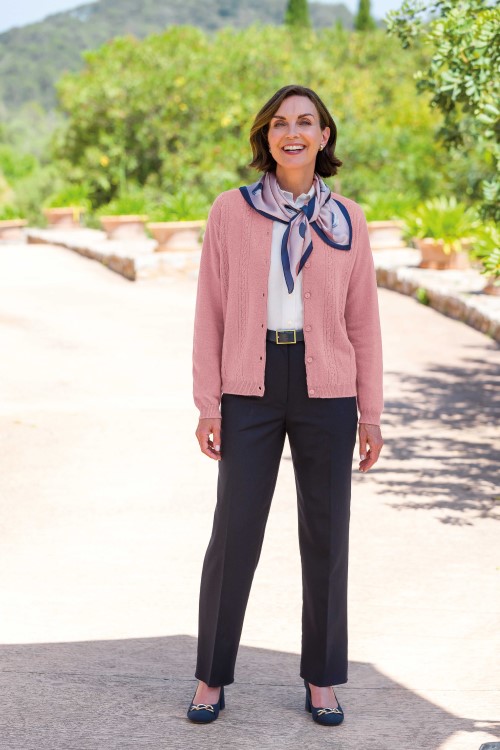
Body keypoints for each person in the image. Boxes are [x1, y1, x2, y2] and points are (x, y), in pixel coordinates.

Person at [187, 84, 384, 725]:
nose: (292, 132)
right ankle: (211, 677)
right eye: (280, 123)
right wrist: (208, 401)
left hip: (328, 384)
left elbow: (365, 323)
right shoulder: (231, 211)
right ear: (265, 137)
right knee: (234, 533)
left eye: (306, 122)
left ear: (324, 136)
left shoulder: (348, 218)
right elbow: (210, 313)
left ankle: (323, 680)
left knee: (327, 537)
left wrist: (371, 413)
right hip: (250, 381)